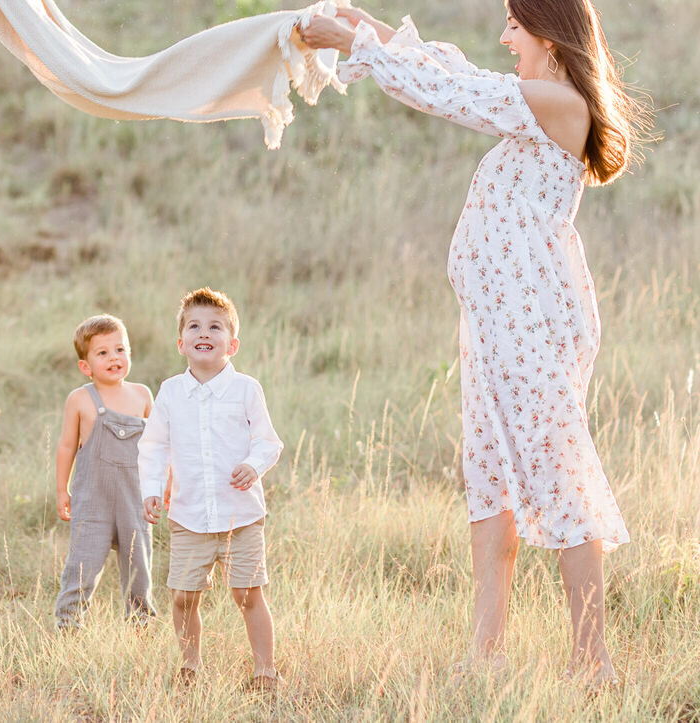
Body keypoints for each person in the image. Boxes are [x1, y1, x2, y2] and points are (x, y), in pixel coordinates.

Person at [302, 0, 650, 685]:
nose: (503, 37)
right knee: (489, 479)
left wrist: (351, 43)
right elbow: (444, 67)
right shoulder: (537, 96)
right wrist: (367, 26)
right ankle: (484, 653)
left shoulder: (557, 99)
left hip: (531, 318)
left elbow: (448, 92)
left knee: (559, 472)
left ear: (547, 34)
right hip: (495, 322)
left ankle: (593, 659)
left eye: (514, 26)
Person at [139, 288, 284, 690]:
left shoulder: (246, 389)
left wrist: (252, 466)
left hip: (241, 515)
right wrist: (152, 489)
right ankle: (190, 666)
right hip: (188, 515)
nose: (205, 332)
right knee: (183, 596)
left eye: (215, 326)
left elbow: (268, 442)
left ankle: (265, 670)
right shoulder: (170, 392)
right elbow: (153, 447)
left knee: (247, 593)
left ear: (232, 344)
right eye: (195, 325)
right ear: (181, 342)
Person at [53, 315, 158, 629]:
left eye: (120, 349)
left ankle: (140, 626)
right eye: (103, 353)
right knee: (82, 568)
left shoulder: (142, 395)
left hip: (133, 502)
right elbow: (67, 447)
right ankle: (69, 624)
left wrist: (163, 485)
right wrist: (62, 490)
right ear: (85, 366)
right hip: (92, 504)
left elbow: (156, 448)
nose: (114, 357)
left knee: (139, 569)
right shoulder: (81, 400)